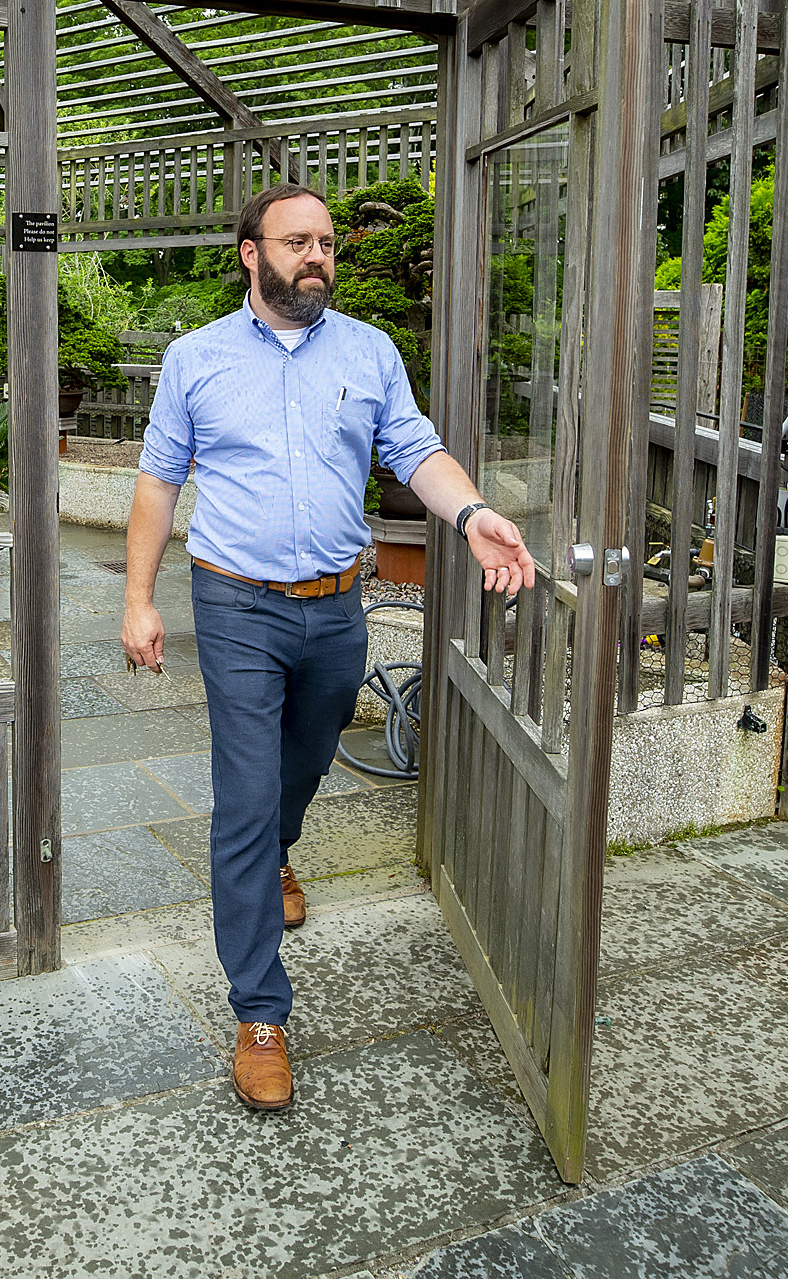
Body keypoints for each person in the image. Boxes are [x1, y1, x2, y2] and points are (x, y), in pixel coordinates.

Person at [119, 183, 537, 1113]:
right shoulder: (196, 359)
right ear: (250, 253)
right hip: (235, 604)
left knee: (304, 766)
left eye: (327, 244)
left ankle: (279, 851)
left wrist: (470, 513)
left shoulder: (370, 351)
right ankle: (260, 1012)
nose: (317, 257)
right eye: (298, 242)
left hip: (339, 607)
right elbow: (157, 482)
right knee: (245, 792)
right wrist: (139, 599)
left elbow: (415, 449)